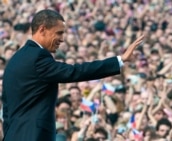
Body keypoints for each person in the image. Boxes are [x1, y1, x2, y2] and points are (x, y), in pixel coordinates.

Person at [1, 9, 144, 141]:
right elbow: (75, 71)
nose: (62, 39)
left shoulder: (15, 59)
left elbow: (6, 109)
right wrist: (119, 60)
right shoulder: (38, 57)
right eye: (59, 33)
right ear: (42, 29)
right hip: (34, 136)